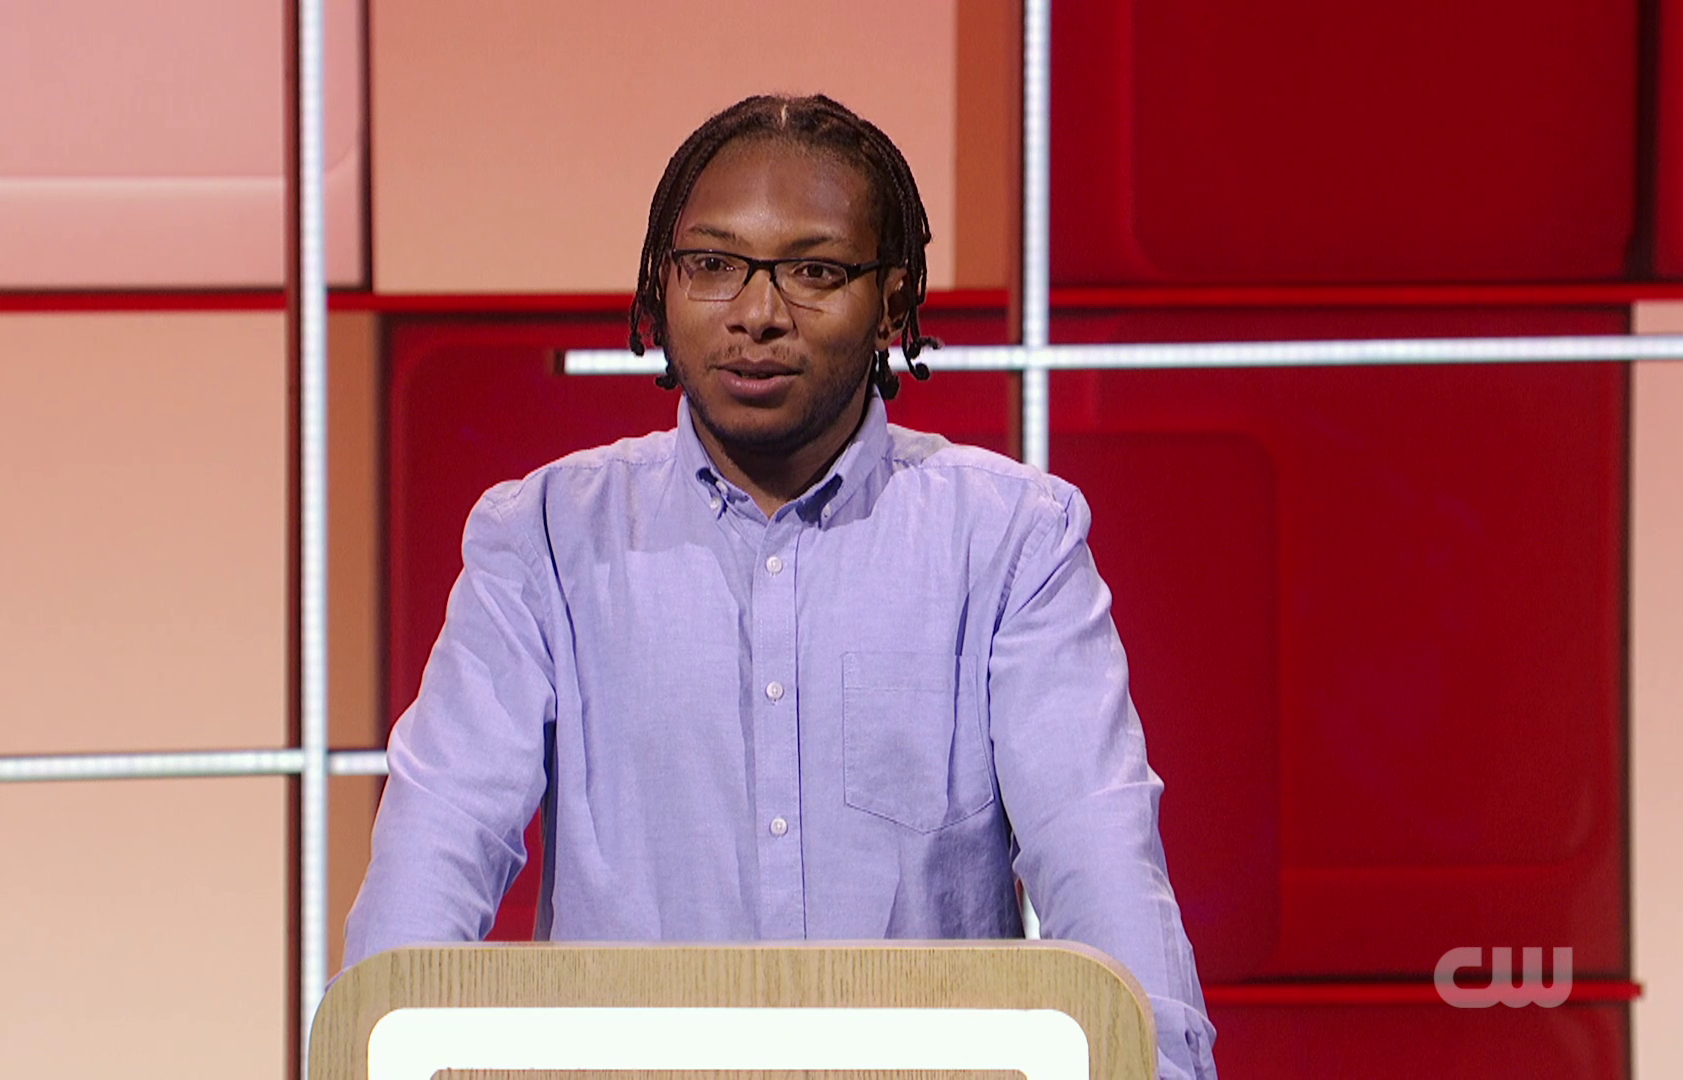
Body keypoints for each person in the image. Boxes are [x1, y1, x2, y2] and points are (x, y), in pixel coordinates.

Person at [344, 93, 1217, 1079]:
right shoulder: (544, 537)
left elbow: (1097, 858)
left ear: (892, 303)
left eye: (814, 271)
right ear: (661, 285)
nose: (757, 314)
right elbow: (439, 849)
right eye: (712, 265)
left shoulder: (1011, 540)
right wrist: (371, 1051)